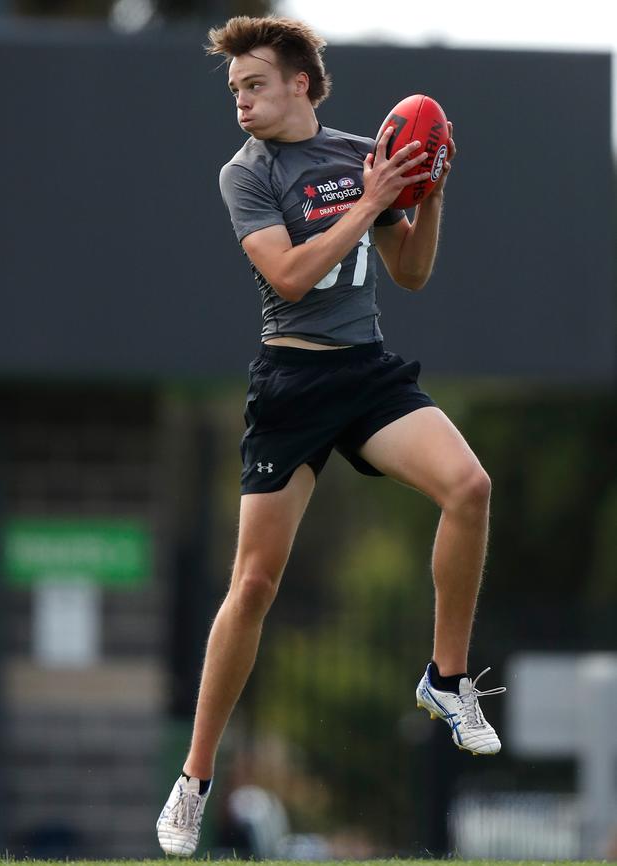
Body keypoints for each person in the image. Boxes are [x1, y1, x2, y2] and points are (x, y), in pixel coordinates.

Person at [157, 15, 505, 857]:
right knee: (254, 585)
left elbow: (410, 274)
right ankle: (195, 780)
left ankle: (445, 681)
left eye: (255, 85)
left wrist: (428, 188)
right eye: (235, 89)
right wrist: (378, 200)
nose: (240, 102)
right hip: (292, 382)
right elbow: (291, 274)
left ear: (302, 85)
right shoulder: (243, 175)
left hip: (367, 373)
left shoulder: (363, 156)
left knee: (471, 487)